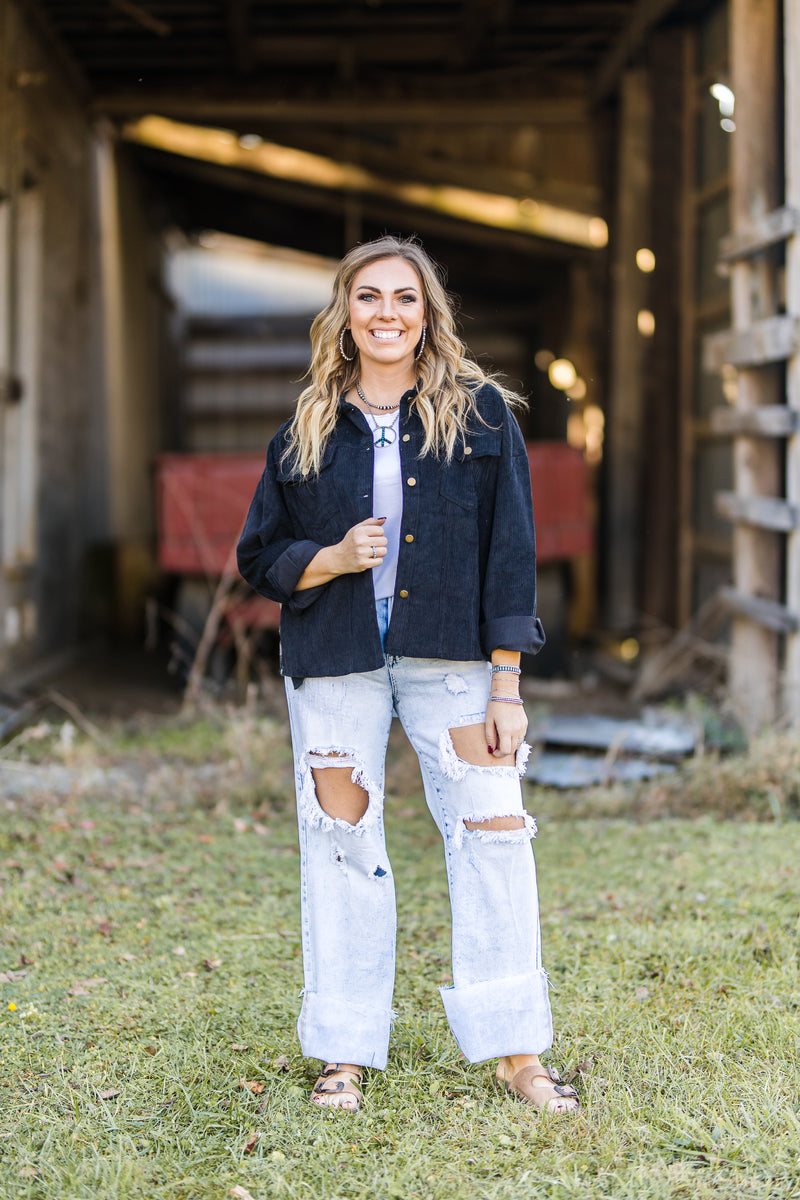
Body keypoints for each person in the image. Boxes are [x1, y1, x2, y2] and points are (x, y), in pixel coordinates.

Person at [237, 235, 579, 1116]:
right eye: (369, 297)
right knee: (340, 843)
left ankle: (517, 1053)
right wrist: (333, 556)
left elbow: (513, 555)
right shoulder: (306, 428)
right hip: (335, 659)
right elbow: (259, 557)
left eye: (405, 298)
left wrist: (507, 683)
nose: (387, 313)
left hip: (456, 661)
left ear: (428, 314)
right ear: (344, 315)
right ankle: (344, 1052)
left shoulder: (483, 416)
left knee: (495, 832)